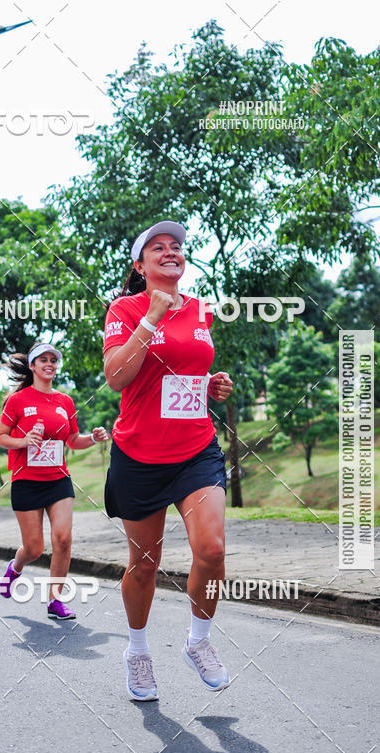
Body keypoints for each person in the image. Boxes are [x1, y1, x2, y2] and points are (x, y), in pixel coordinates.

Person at [103, 221, 234, 701]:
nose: (170, 251)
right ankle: (137, 652)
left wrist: (213, 385)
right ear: (140, 266)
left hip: (195, 449)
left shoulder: (201, 309)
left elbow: (188, 371)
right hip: (139, 455)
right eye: (157, 247)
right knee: (144, 565)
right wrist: (150, 319)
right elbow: (117, 378)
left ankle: (198, 642)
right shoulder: (126, 308)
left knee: (212, 550)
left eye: (176, 246)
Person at [0, 341, 109, 619]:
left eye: (53, 360)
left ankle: (55, 601)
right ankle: (14, 569)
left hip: (58, 480)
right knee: (34, 548)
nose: (49, 364)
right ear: (32, 366)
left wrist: (92, 438)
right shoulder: (18, 400)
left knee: (63, 539)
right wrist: (23, 440)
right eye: (43, 360)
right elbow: (0, 438)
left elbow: (71, 439)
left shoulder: (65, 401)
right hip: (26, 481)